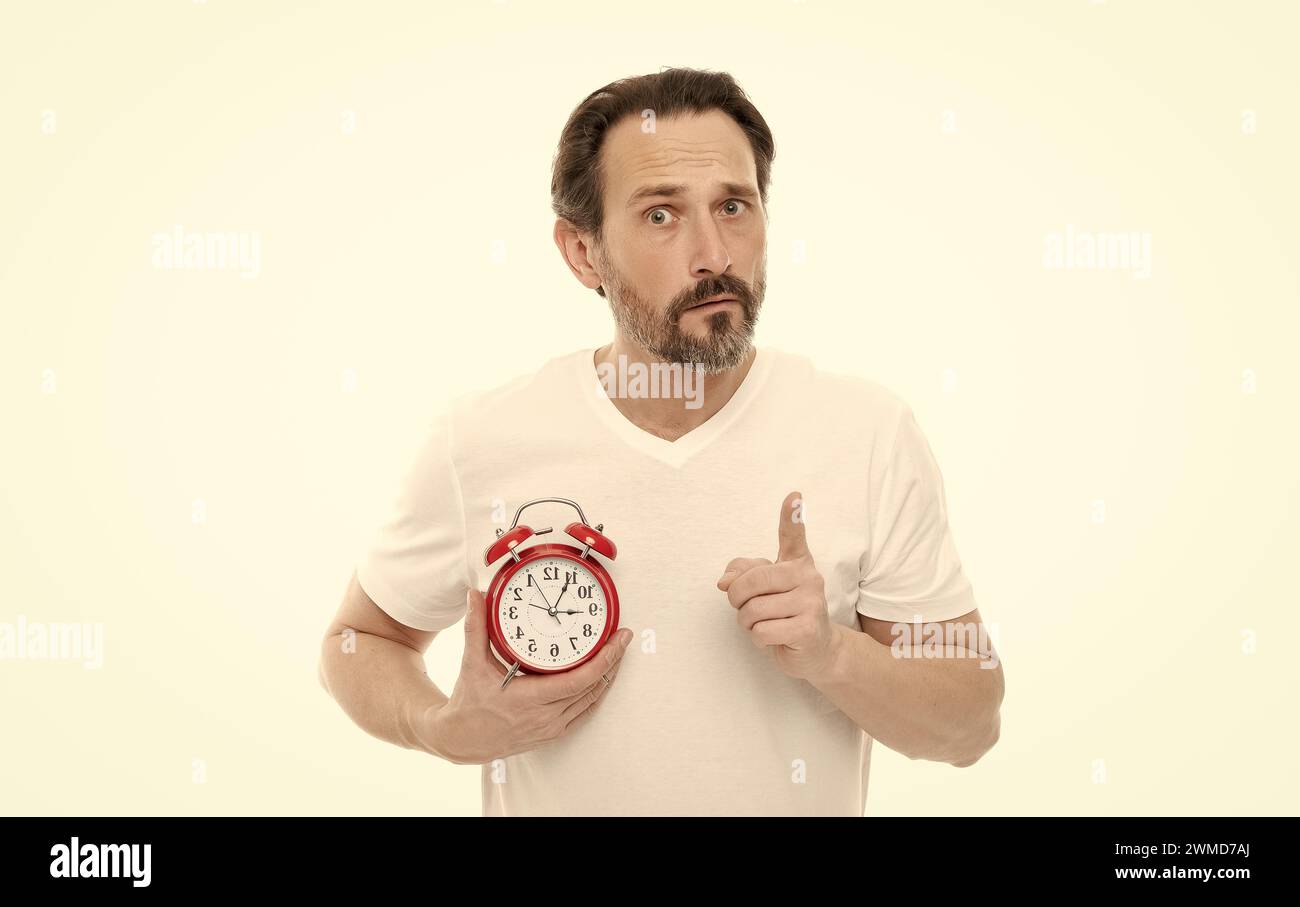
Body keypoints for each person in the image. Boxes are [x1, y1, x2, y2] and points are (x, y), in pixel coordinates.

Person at [319, 67, 1004, 816]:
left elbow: (970, 723)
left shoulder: (867, 433)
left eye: (733, 206)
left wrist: (835, 654)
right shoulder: (481, 440)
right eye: (660, 216)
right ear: (582, 252)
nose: (714, 252)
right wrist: (442, 727)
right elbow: (358, 641)